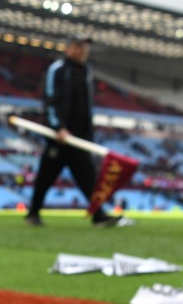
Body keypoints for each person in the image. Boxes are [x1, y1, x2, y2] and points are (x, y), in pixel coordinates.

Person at [26, 35, 123, 228]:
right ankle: (33, 213)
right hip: (59, 137)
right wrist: (58, 128)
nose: (84, 50)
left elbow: (86, 106)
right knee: (46, 175)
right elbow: (50, 100)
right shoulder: (58, 69)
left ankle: (98, 214)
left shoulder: (86, 70)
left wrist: (88, 133)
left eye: (86, 47)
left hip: (79, 138)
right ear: (69, 48)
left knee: (89, 177)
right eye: (79, 46)